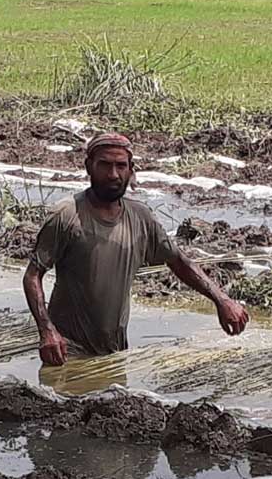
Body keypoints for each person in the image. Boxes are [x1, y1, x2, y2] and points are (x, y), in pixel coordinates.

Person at [22, 132, 248, 366]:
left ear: (131, 170)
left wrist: (222, 300)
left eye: (121, 166)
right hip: (66, 352)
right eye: (105, 165)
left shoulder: (141, 218)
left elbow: (178, 262)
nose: (113, 175)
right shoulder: (67, 216)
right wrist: (46, 330)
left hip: (114, 354)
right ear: (89, 166)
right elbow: (32, 275)